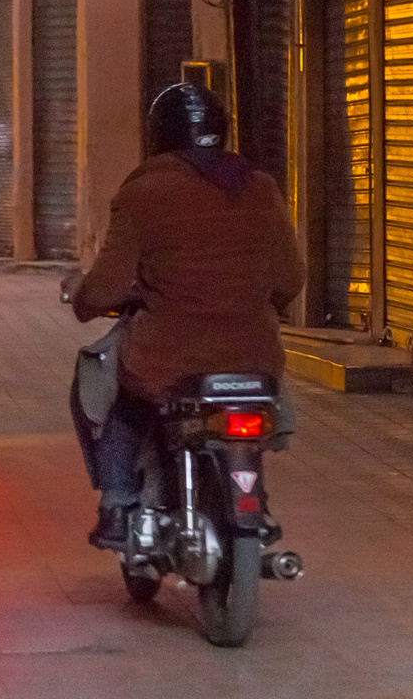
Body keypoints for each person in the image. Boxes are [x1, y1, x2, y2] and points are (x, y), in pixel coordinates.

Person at [65, 83, 304, 548]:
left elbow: (108, 286)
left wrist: (84, 299)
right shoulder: (260, 187)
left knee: (117, 396)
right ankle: (256, 498)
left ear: (160, 137)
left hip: (167, 357)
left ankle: (117, 504)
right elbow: (290, 279)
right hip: (253, 355)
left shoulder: (143, 194)